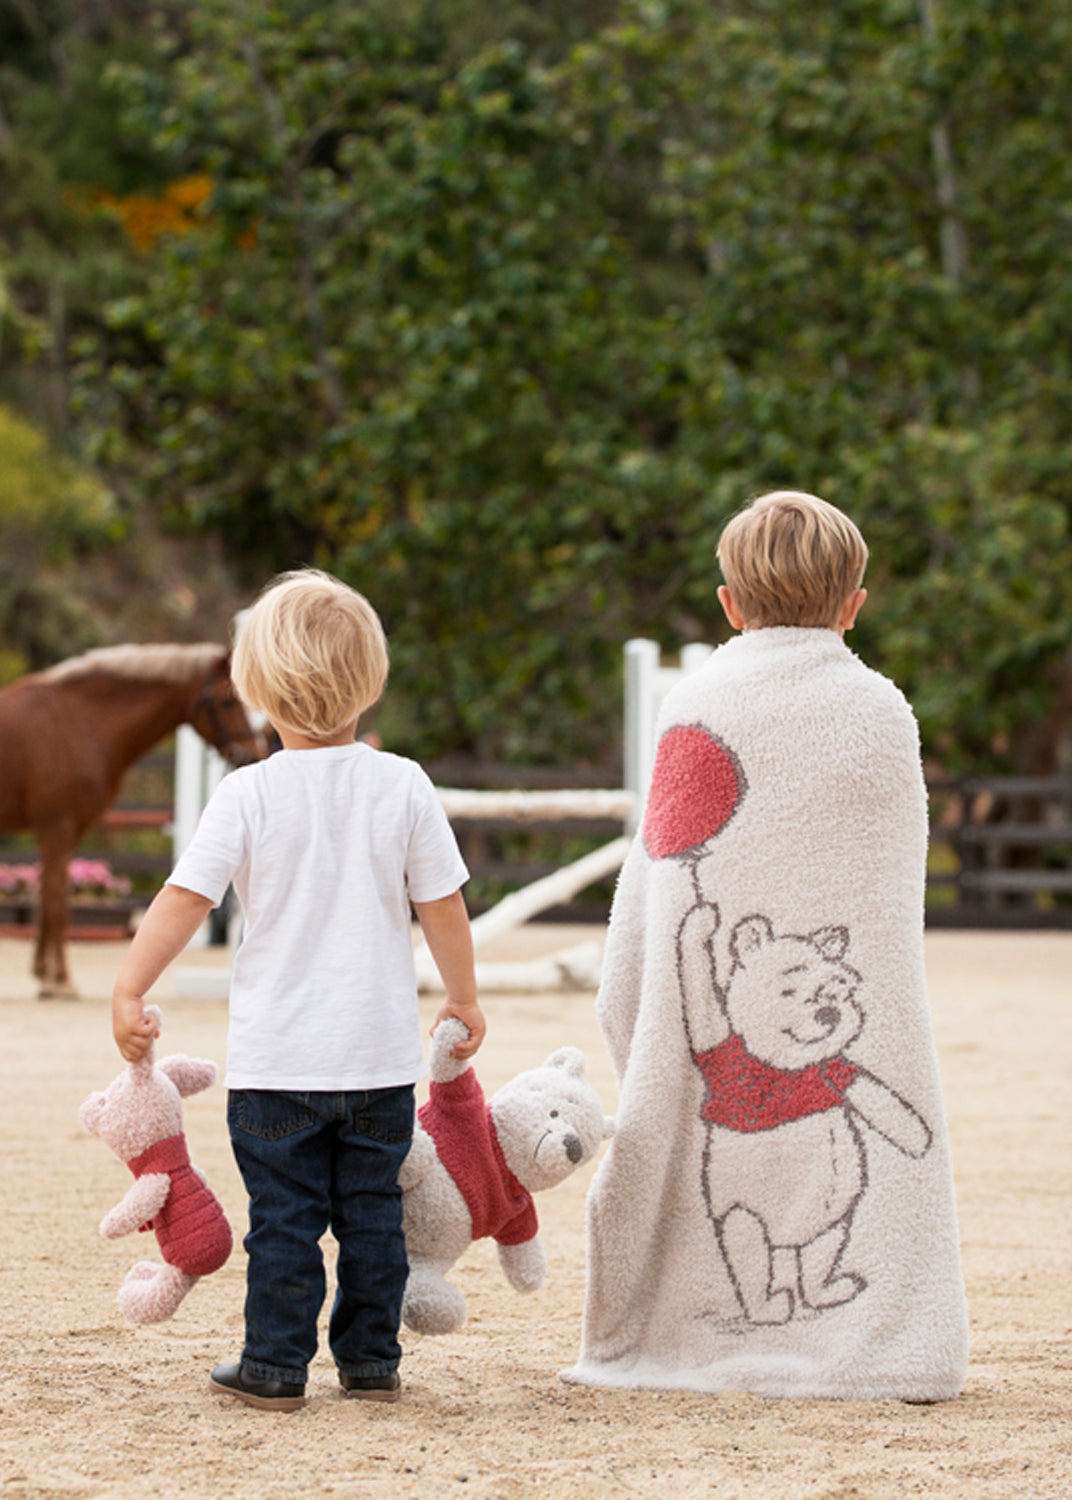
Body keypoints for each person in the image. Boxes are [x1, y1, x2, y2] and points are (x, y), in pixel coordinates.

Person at [564, 491, 969, 1399]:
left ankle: (709, 1324)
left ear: (729, 604)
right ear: (855, 603)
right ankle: (876, 1338)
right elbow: (886, 901)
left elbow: (656, 878)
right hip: (837, 1036)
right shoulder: (881, 714)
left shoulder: (697, 698)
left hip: (736, 1088)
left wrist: (644, 1012)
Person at [112, 569, 484, 1412]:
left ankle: (276, 1365)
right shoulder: (404, 785)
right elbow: (443, 904)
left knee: (283, 1221)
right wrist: (464, 996)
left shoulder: (246, 793)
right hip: (379, 1063)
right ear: (371, 679)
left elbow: (185, 898)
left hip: (278, 1062)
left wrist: (131, 984)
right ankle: (370, 1361)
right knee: (372, 1219)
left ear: (256, 690)